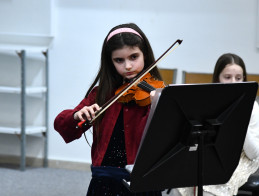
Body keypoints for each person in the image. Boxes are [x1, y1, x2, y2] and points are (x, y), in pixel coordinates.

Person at [54, 23, 164, 196]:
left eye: (134, 57)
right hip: (105, 181)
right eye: (119, 60)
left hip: (142, 181)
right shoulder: (101, 95)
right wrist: (76, 115)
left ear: (146, 55)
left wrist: (158, 106)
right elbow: (62, 124)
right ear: (110, 62)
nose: (128, 66)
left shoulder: (157, 94)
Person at [178, 53, 259, 196]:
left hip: (242, 158)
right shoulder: (210, 103)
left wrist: (240, 118)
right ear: (217, 78)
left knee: (211, 189)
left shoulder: (252, 106)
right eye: (227, 77)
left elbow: (253, 153)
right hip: (210, 155)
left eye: (239, 78)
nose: (234, 83)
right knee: (181, 187)